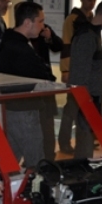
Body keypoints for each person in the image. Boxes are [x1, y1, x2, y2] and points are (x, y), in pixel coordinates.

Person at [0, 1, 55, 168]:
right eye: (40, 21)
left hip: (14, 106)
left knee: (11, 156)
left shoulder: (10, 40)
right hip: (24, 108)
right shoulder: (19, 47)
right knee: (35, 159)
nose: (43, 26)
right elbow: (42, 75)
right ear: (27, 22)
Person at [69, 0, 102, 159]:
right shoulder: (87, 36)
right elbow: (80, 73)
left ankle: (83, 166)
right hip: (86, 96)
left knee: (87, 139)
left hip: (91, 95)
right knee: (85, 140)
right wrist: (87, 101)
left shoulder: (94, 34)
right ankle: (82, 169)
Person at [58, 0, 98, 154]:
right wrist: (65, 70)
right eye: (89, 0)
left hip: (87, 71)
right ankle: (64, 141)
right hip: (74, 70)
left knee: (86, 108)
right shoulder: (72, 19)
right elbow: (66, 44)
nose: (91, 3)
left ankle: (85, 140)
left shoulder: (91, 18)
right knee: (71, 108)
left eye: (94, 0)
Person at [31, 24, 63, 160]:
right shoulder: (19, 36)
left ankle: (49, 156)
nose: (41, 23)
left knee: (48, 122)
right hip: (30, 85)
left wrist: (49, 37)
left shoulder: (44, 29)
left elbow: (59, 46)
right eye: (40, 19)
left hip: (46, 82)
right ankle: (33, 157)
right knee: (33, 123)